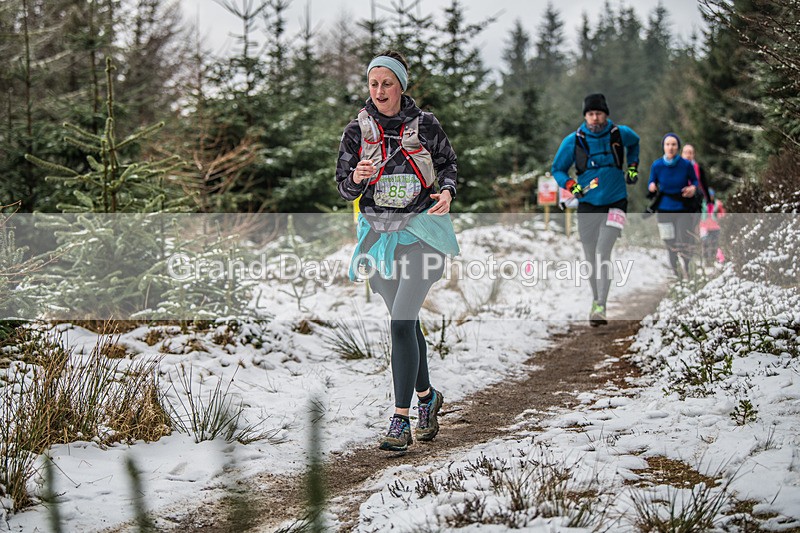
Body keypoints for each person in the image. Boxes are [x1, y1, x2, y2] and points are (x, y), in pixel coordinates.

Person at [335, 50, 459, 453]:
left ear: (401, 85)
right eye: (373, 83)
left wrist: (447, 191)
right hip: (378, 237)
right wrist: (356, 175)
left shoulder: (425, 124)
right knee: (405, 323)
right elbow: (344, 187)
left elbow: (449, 164)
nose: (379, 90)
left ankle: (400, 419)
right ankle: (428, 398)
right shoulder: (356, 131)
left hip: (422, 233)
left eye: (387, 83)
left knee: (401, 324)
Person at [551, 93, 640, 327]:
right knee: (591, 257)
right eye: (590, 114)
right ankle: (596, 300)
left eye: (598, 113)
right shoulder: (574, 140)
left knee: (604, 250)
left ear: (606, 114)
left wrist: (632, 167)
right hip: (588, 203)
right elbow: (557, 169)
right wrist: (571, 185)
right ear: (585, 116)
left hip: (617, 201)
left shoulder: (620, 134)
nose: (594, 118)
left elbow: (635, 143)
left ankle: (601, 304)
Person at [647, 133, 699, 280]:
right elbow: (651, 181)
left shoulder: (685, 165)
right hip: (664, 209)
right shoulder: (657, 165)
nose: (670, 147)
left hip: (682, 208)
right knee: (669, 242)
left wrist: (692, 189)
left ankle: (687, 269)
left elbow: (694, 181)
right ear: (663, 146)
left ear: (678, 147)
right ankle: (676, 272)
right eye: (668, 144)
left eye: (674, 144)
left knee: (683, 240)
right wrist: (651, 186)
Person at [698, 188, 726, 265]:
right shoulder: (701, 204)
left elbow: (723, 213)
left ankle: (716, 259)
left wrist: (718, 216)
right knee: (705, 244)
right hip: (704, 228)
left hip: (716, 227)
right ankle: (707, 260)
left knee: (715, 244)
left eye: (711, 195)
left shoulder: (718, 204)